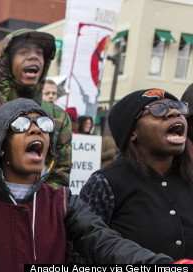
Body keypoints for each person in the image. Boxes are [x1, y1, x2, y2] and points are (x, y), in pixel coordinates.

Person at [0, 98, 178, 272]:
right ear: (0, 143)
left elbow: (106, 244)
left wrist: (163, 265)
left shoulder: (62, 203)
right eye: (22, 124)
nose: (36, 130)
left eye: (44, 125)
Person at [79, 88, 193, 261]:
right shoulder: (105, 183)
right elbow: (80, 250)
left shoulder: (189, 177)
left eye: (177, 107)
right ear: (132, 132)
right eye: (158, 110)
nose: (174, 113)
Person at [0, 29, 72, 188]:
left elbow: (59, 178)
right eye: (23, 52)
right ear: (7, 62)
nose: (33, 56)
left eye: (39, 53)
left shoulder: (58, 117)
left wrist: (37, 209)